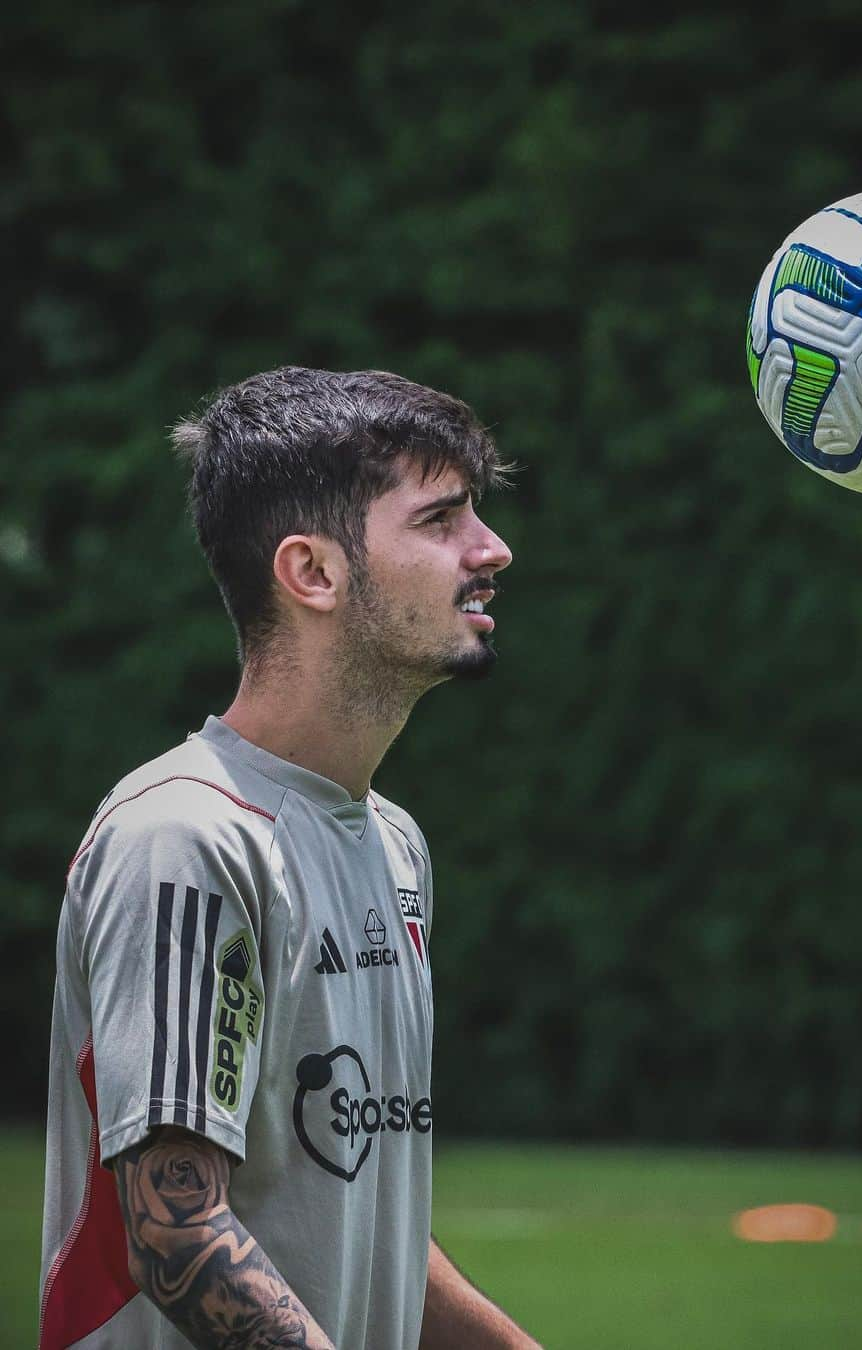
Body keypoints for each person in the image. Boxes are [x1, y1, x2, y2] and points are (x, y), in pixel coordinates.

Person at [39, 367, 540, 1349]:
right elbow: (178, 1232)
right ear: (312, 573)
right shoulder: (184, 836)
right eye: (441, 522)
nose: (493, 550)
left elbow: (354, 1213)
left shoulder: (392, 841)